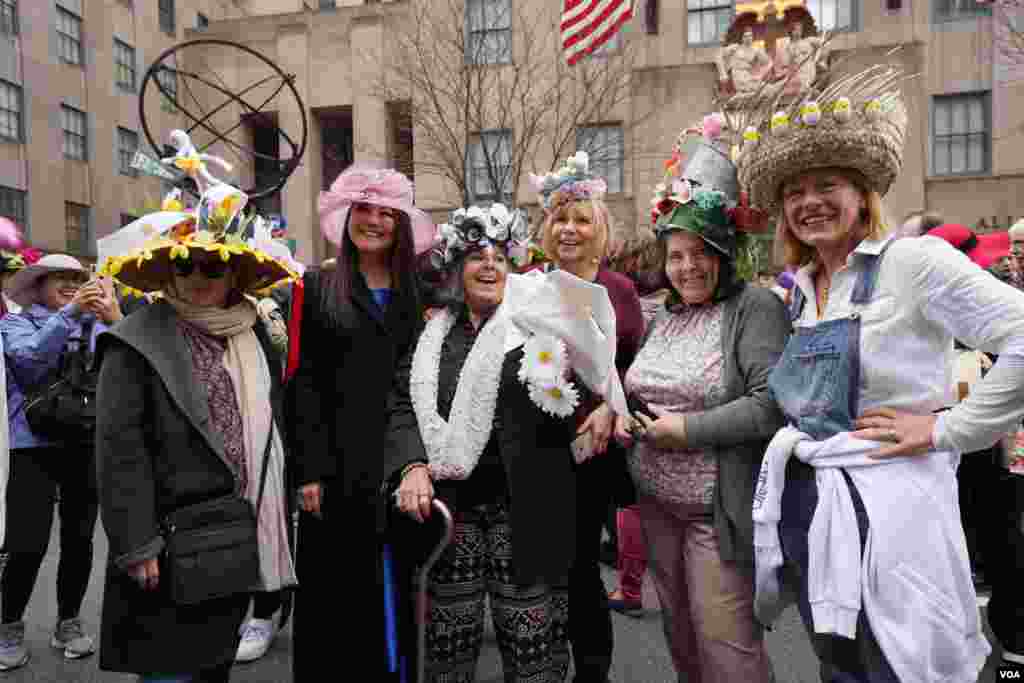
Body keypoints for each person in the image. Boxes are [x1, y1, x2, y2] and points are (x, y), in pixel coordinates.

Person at [735, 52, 1017, 681]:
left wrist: (948, 429)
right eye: (794, 192)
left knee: (899, 661)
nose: (809, 202)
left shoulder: (913, 262)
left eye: (826, 186)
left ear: (862, 196)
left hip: (896, 509)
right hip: (814, 502)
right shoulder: (801, 289)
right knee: (839, 663)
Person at [92, 184, 298, 682]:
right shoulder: (135, 340)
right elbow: (119, 452)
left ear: (233, 275)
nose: (199, 277)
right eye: (186, 266)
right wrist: (137, 544)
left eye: (213, 267)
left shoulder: (252, 333)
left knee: (213, 667)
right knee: (168, 669)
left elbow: (273, 427)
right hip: (168, 542)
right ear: (170, 272)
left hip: (232, 537)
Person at [387, 202, 600, 682]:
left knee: (533, 651)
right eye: (476, 257)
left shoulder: (541, 321)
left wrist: (593, 396)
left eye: (499, 258)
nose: (489, 266)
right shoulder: (432, 331)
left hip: (525, 508)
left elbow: (586, 386)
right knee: (448, 649)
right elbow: (401, 404)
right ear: (457, 267)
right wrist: (411, 466)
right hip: (452, 509)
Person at [613, 130, 787, 680]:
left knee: (727, 650)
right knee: (682, 641)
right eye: (676, 256)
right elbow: (646, 389)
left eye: (700, 253)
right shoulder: (665, 315)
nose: (686, 267)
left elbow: (771, 404)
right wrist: (623, 414)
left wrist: (687, 431)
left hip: (716, 514)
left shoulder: (755, 307)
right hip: (656, 506)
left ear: (725, 253)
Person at [287, 163, 433, 681]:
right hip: (335, 467)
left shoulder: (421, 291)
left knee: (398, 583)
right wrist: (307, 469)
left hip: (399, 459)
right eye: (363, 209)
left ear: (401, 224)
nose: (373, 220)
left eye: (386, 213)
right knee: (335, 593)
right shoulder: (315, 286)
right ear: (346, 217)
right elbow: (302, 383)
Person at [529, 151, 644, 682]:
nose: (569, 230)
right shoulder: (531, 284)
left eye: (581, 220)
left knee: (579, 567)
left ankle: (592, 672)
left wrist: (609, 408)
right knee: (546, 565)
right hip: (538, 444)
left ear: (599, 230)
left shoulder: (619, 290)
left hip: (596, 449)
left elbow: (637, 369)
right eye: (560, 219)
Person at [0, 254, 121, 672]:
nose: (71, 285)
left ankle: (68, 621)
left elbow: (128, 365)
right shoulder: (15, 324)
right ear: (38, 285)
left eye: (77, 278)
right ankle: (9, 625)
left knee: (79, 540)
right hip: (31, 446)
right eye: (60, 278)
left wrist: (114, 318)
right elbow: (28, 361)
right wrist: (69, 315)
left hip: (85, 442)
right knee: (26, 544)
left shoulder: (98, 324)